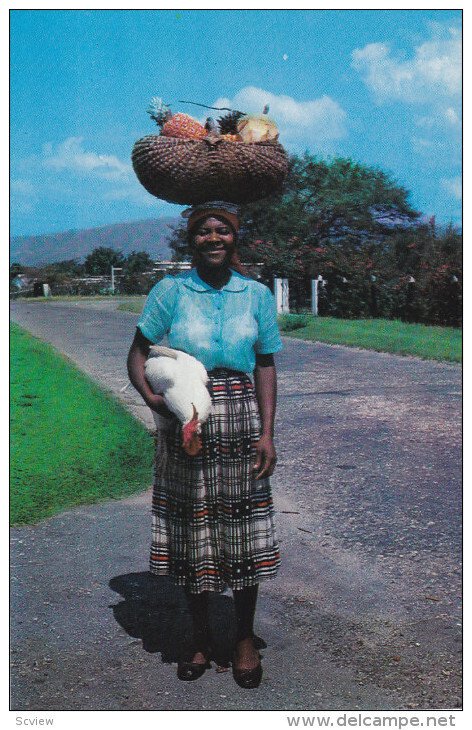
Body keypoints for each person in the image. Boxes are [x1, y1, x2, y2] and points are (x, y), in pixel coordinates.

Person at [127, 201, 283, 688]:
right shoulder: (169, 291)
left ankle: (242, 638)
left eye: (222, 231)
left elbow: (265, 365)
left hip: (239, 418)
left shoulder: (255, 295)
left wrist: (267, 432)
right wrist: (155, 401)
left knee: (243, 528)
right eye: (203, 232)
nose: (213, 238)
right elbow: (137, 354)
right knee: (192, 530)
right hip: (186, 417)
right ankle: (197, 637)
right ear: (190, 240)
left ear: (235, 239)